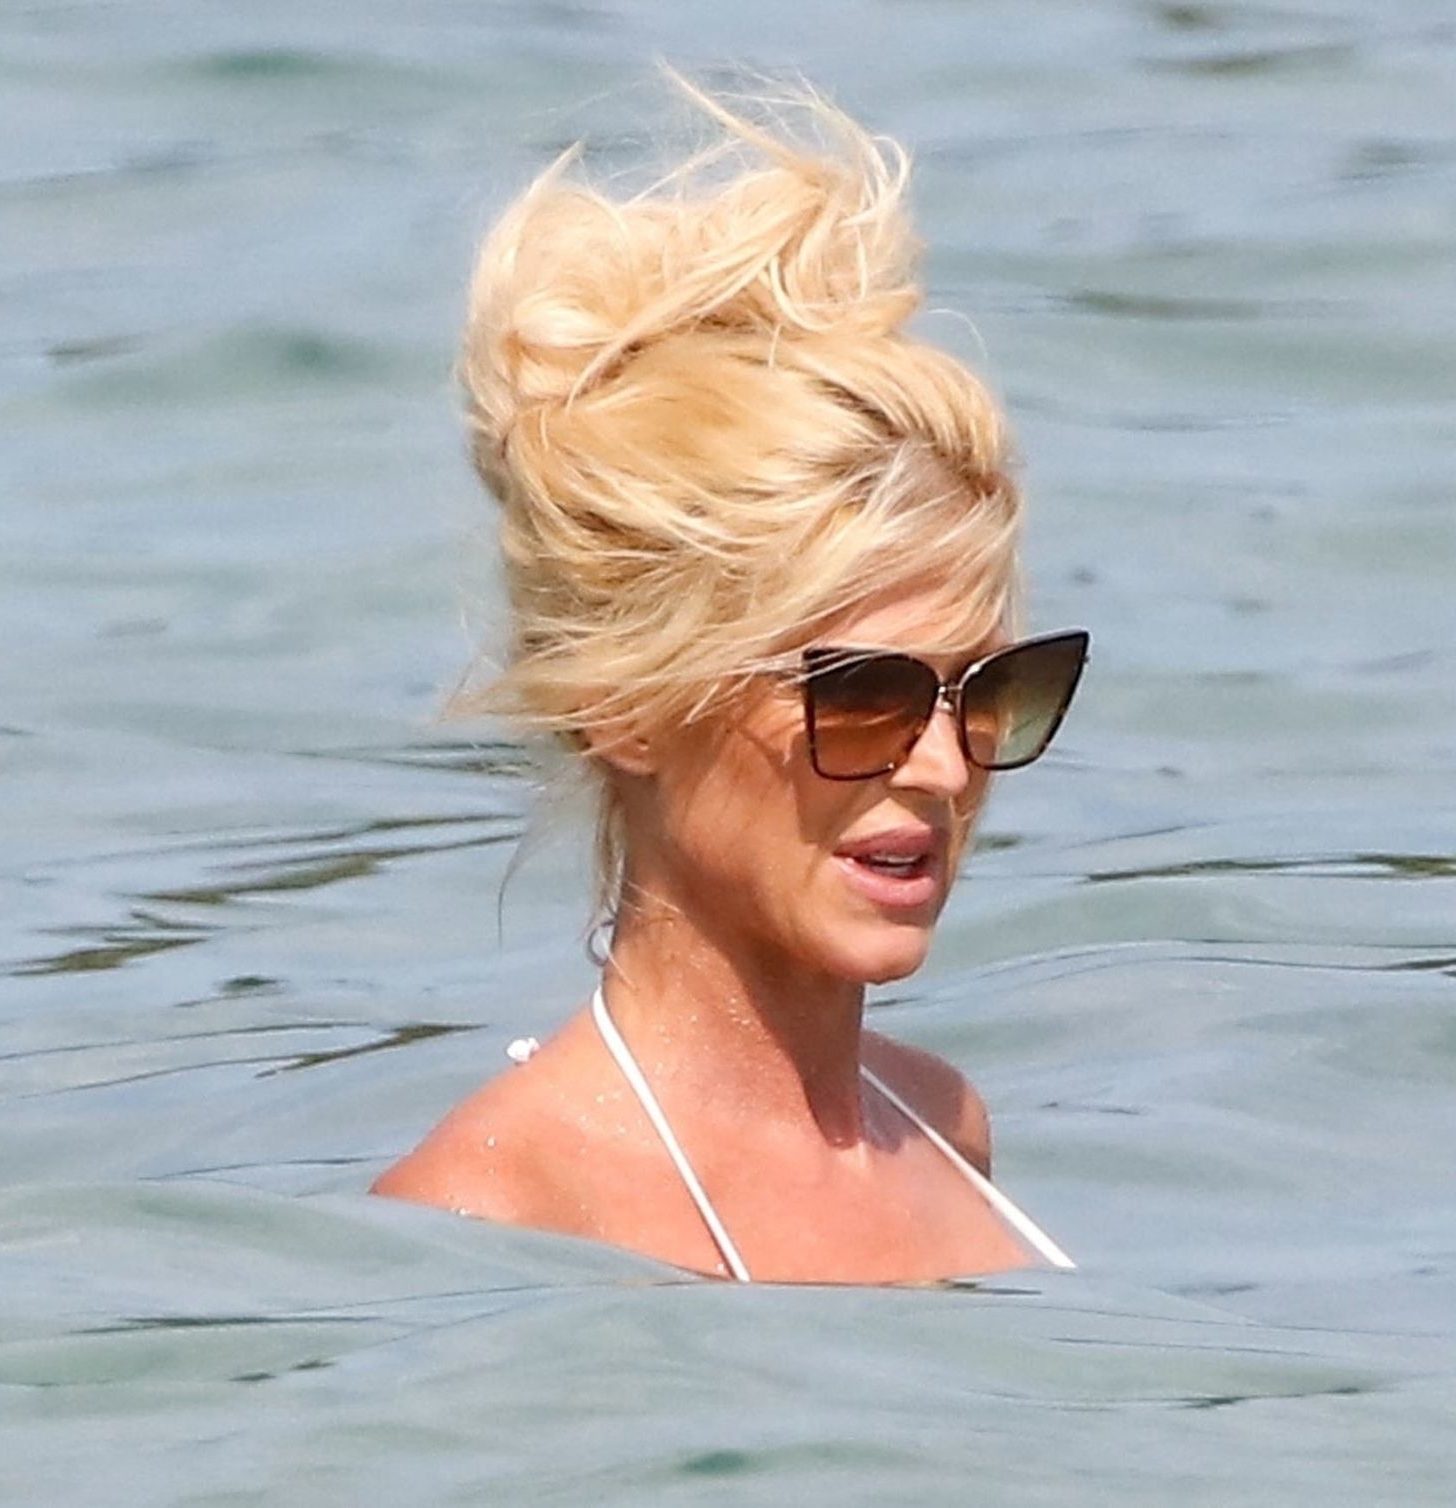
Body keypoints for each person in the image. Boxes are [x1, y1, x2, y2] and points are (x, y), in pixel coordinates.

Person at [372, 77, 1088, 1284]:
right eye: (863, 695)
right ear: (626, 708)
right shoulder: (486, 1211)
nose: (943, 764)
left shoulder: (946, 1129)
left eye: (985, 690)